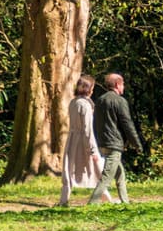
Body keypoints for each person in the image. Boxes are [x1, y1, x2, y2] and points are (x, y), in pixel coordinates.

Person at [90, 72, 143, 205]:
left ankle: (125, 201)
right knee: (107, 177)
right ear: (117, 84)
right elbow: (127, 124)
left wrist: (98, 141)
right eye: (123, 84)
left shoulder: (100, 100)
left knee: (120, 173)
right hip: (114, 144)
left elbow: (95, 123)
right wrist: (137, 144)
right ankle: (92, 203)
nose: (123, 87)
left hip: (103, 142)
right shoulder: (120, 101)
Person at [57, 74, 104, 207]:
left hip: (72, 139)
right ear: (89, 89)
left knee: (69, 168)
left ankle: (64, 199)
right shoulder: (85, 105)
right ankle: (105, 197)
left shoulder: (73, 102)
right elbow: (87, 129)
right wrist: (93, 149)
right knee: (97, 167)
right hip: (83, 140)